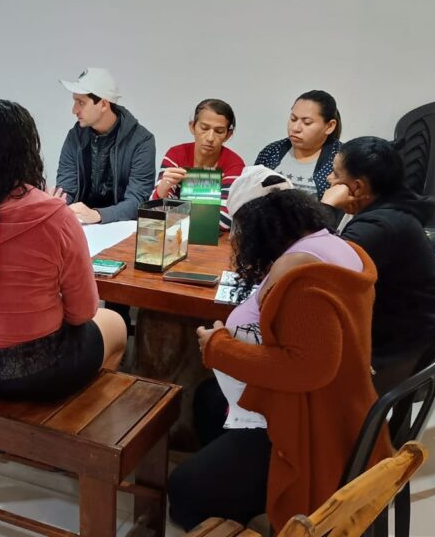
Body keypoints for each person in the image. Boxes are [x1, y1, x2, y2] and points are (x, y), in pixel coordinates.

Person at [167, 167, 391, 532]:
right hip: (330, 404)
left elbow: (306, 368)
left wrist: (219, 347)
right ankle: (238, 487)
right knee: (208, 400)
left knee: (182, 492)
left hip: (305, 423)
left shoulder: (301, 272)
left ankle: (237, 497)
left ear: (258, 225)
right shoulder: (332, 244)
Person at [0, 99, 127, 402]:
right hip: (28, 369)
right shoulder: (54, 216)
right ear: (29, 149)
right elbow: (83, 312)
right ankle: (73, 429)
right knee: (114, 324)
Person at [322, 136, 435, 393]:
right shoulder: (393, 208)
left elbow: (316, 267)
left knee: (306, 373)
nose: (330, 179)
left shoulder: (379, 226)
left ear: (358, 187)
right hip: (411, 332)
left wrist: (327, 207)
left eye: (335, 174)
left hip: (407, 349)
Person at [54, 67, 155, 224]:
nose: (74, 110)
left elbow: (137, 201)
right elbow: (67, 187)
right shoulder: (75, 136)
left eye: (81, 102)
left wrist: (98, 215)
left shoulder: (142, 141)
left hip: (121, 229)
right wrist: (58, 203)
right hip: (81, 227)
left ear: (103, 104)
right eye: (75, 101)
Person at [151, 98, 245, 230]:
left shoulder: (234, 165)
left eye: (219, 131)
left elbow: (225, 219)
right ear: (192, 126)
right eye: (204, 128)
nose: (210, 138)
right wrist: (163, 188)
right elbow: (154, 210)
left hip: (214, 243)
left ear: (228, 135)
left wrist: (170, 211)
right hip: (172, 236)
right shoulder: (176, 155)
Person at [255, 90, 342, 199]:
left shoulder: (342, 159)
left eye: (307, 123)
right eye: (293, 119)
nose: (295, 128)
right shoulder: (272, 151)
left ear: (329, 126)